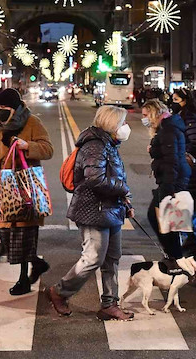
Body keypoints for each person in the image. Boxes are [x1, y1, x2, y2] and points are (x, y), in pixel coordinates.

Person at [46, 106, 134, 321]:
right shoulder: (95, 145)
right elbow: (95, 179)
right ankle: (59, 292)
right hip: (93, 210)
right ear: (112, 124)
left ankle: (109, 304)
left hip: (110, 208)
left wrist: (124, 200)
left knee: (112, 258)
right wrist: (122, 189)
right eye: (122, 123)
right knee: (93, 258)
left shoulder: (109, 143)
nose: (125, 127)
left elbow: (111, 176)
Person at [0, 88, 54, 295]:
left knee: (24, 234)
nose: (2, 111)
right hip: (4, 186)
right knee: (6, 235)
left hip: (26, 186)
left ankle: (23, 280)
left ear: (16, 107)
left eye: (6, 108)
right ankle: (36, 263)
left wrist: (27, 145)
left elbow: (48, 149)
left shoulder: (32, 122)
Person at [142, 99, 191, 261]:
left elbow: (172, 160)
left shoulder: (168, 130)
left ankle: (174, 256)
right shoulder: (167, 127)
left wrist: (168, 188)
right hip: (171, 178)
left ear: (154, 113)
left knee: (164, 220)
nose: (144, 119)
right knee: (166, 220)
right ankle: (174, 255)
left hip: (172, 181)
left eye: (146, 115)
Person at [171, 89, 196, 256]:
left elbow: (195, 141)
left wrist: (179, 149)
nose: (173, 101)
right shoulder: (188, 114)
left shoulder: (189, 117)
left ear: (185, 100)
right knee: (195, 205)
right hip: (195, 167)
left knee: (195, 205)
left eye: (176, 99)